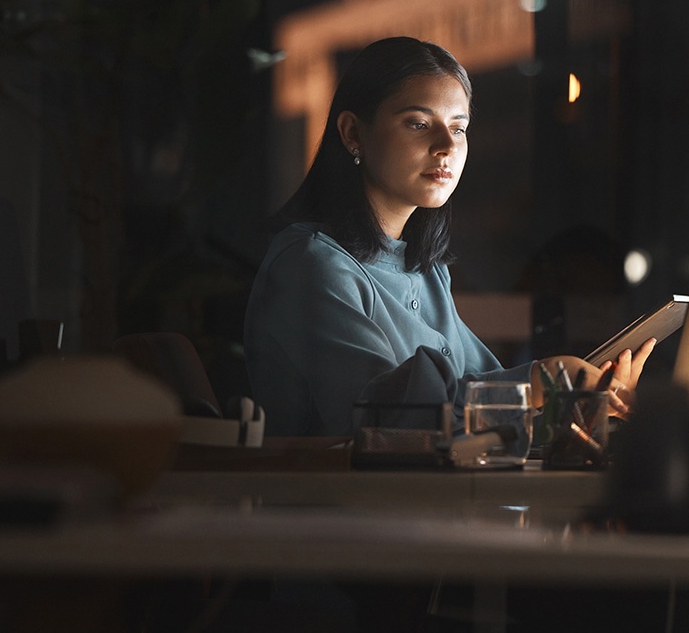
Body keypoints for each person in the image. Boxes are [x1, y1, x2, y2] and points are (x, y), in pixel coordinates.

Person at [244, 36, 653, 437]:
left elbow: (483, 397)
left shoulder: (426, 271)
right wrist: (543, 380)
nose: (445, 147)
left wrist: (584, 396)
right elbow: (386, 424)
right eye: (419, 124)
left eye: (458, 129)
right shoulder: (311, 264)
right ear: (353, 133)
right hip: (331, 503)